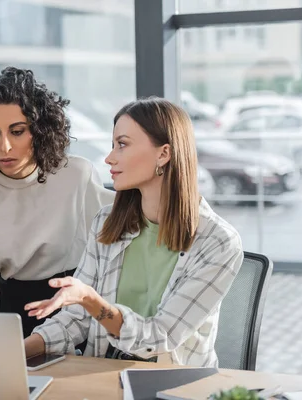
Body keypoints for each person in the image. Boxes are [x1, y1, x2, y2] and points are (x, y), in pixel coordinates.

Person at [23, 97, 243, 367]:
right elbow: (76, 319)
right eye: (113, 145)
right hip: (104, 376)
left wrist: (92, 301)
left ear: (164, 153)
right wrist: (14, 352)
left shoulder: (218, 242)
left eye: (122, 145)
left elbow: (160, 337)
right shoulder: (107, 222)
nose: (109, 157)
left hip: (174, 385)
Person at [0, 67, 115, 338]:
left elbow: (109, 256)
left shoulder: (76, 175)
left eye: (17, 131)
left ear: (39, 130)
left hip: (75, 310)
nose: (5, 147)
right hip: (8, 314)